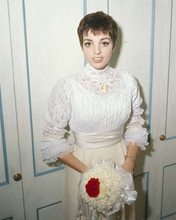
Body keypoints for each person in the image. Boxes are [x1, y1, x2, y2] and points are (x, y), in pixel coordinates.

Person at [40, 11, 148, 220]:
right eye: (89, 43)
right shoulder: (67, 86)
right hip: (82, 168)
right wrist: (88, 173)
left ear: (114, 46)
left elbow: (135, 126)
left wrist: (128, 165)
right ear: (81, 46)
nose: (96, 51)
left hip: (121, 163)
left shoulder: (128, 81)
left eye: (104, 42)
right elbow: (51, 141)